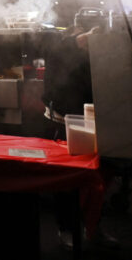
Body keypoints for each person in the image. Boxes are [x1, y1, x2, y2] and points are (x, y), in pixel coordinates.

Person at [41, 24, 118, 250]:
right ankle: (66, 229)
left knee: (97, 179)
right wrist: (83, 40)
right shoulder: (60, 48)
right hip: (62, 122)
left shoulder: (95, 55)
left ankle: (93, 227)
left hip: (92, 121)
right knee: (67, 180)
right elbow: (58, 53)